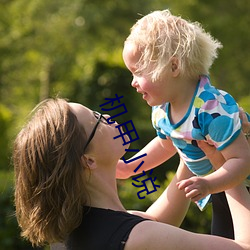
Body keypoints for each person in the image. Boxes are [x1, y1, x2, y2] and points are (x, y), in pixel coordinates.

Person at [13, 98, 250, 250]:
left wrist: (190, 138)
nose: (108, 117)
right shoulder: (138, 238)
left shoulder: (74, 233)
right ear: (88, 160)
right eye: (97, 120)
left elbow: (157, 221)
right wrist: (226, 165)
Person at [118, 9, 250, 238]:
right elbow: (166, 145)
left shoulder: (211, 109)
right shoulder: (162, 110)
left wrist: (209, 184)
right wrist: (132, 167)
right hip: (220, 189)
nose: (133, 83)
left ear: (174, 67)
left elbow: (242, 160)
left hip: (239, 185)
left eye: (138, 72)